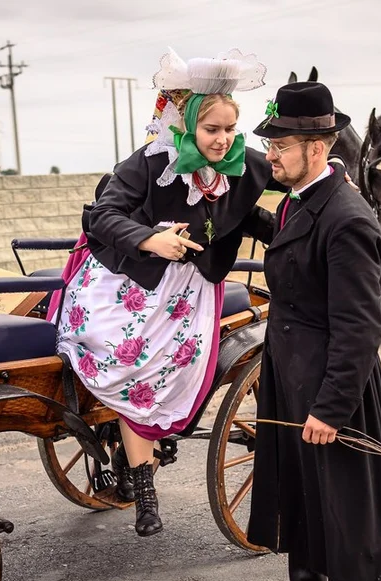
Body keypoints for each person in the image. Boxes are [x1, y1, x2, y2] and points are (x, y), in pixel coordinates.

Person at [55, 49, 274, 537]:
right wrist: (150, 238)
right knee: (130, 365)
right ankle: (143, 481)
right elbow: (101, 217)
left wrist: (305, 234)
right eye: (211, 129)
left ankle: (148, 462)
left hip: (192, 288)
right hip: (131, 281)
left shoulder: (244, 166)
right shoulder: (149, 163)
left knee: (175, 372)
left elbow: (245, 215)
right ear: (188, 124)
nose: (221, 139)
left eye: (229, 129)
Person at [242, 81, 381, 581]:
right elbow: (293, 243)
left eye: (281, 145)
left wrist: (331, 408)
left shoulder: (348, 218)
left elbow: (362, 327)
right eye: (271, 143)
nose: (271, 154)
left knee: (348, 502)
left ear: (318, 146)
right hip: (292, 373)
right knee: (300, 489)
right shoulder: (301, 197)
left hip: (332, 387)